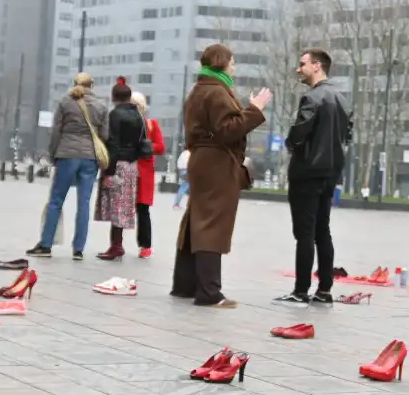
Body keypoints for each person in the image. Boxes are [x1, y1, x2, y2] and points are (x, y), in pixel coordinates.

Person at [172, 44, 272, 308]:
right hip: (216, 163)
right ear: (222, 63)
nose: (234, 67)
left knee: (197, 219)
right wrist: (255, 109)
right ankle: (209, 292)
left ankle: (184, 284)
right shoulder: (216, 91)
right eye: (232, 62)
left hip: (203, 160)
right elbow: (227, 130)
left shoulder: (200, 89)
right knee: (212, 224)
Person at [274, 48, 352, 305]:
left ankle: (301, 290)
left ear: (317, 66)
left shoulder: (312, 98)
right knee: (322, 231)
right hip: (330, 173)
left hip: (307, 172)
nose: (298, 69)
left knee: (304, 233)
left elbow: (299, 133)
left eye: (303, 64)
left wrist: (291, 146)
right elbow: (347, 136)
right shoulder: (342, 100)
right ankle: (325, 289)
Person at [28, 73, 109, 260]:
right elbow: (105, 135)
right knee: (84, 203)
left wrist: (53, 153)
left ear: (75, 84)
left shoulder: (66, 102)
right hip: (90, 157)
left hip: (66, 154)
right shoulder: (101, 106)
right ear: (92, 85)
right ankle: (78, 249)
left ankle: (46, 245)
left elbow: (56, 131)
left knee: (56, 200)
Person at [95, 82, 145, 261]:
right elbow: (142, 141)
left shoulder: (115, 114)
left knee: (116, 205)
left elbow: (114, 143)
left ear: (114, 97)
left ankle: (116, 246)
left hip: (118, 164)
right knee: (123, 206)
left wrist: (109, 170)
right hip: (132, 166)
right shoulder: (138, 115)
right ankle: (117, 244)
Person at [131, 91, 165, 259]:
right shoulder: (125, 123)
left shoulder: (151, 124)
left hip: (144, 172)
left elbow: (161, 147)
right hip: (128, 168)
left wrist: (148, 146)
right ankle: (116, 245)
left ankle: (145, 245)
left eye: (137, 105)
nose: (135, 109)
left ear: (143, 107)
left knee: (143, 209)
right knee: (121, 207)